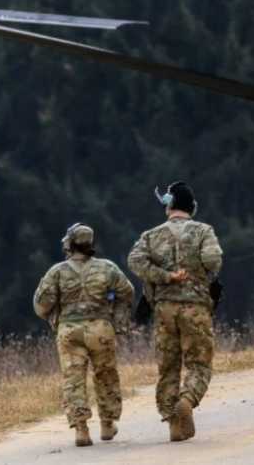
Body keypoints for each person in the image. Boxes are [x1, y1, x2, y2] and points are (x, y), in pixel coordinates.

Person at [128, 181, 223, 442]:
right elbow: (213, 261)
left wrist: (165, 276)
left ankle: (173, 423)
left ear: (168, 206)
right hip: (195, 307)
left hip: (164, 310)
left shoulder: (150, 235)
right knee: (199, 363)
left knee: (168, 368)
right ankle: (187, 399)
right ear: (192, 206)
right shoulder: (203, 231)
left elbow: (135, 261)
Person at [34, 223, 135, 447]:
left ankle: (81, 429)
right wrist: (118, 321)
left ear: (70, 244)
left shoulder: (57, 271)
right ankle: (107, 424)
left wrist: (55, 317)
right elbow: (127, 293)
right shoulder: (107, 268)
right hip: (101, 329)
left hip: (69, 331)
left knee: (73, 378)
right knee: (106, 375)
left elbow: (41, 305)